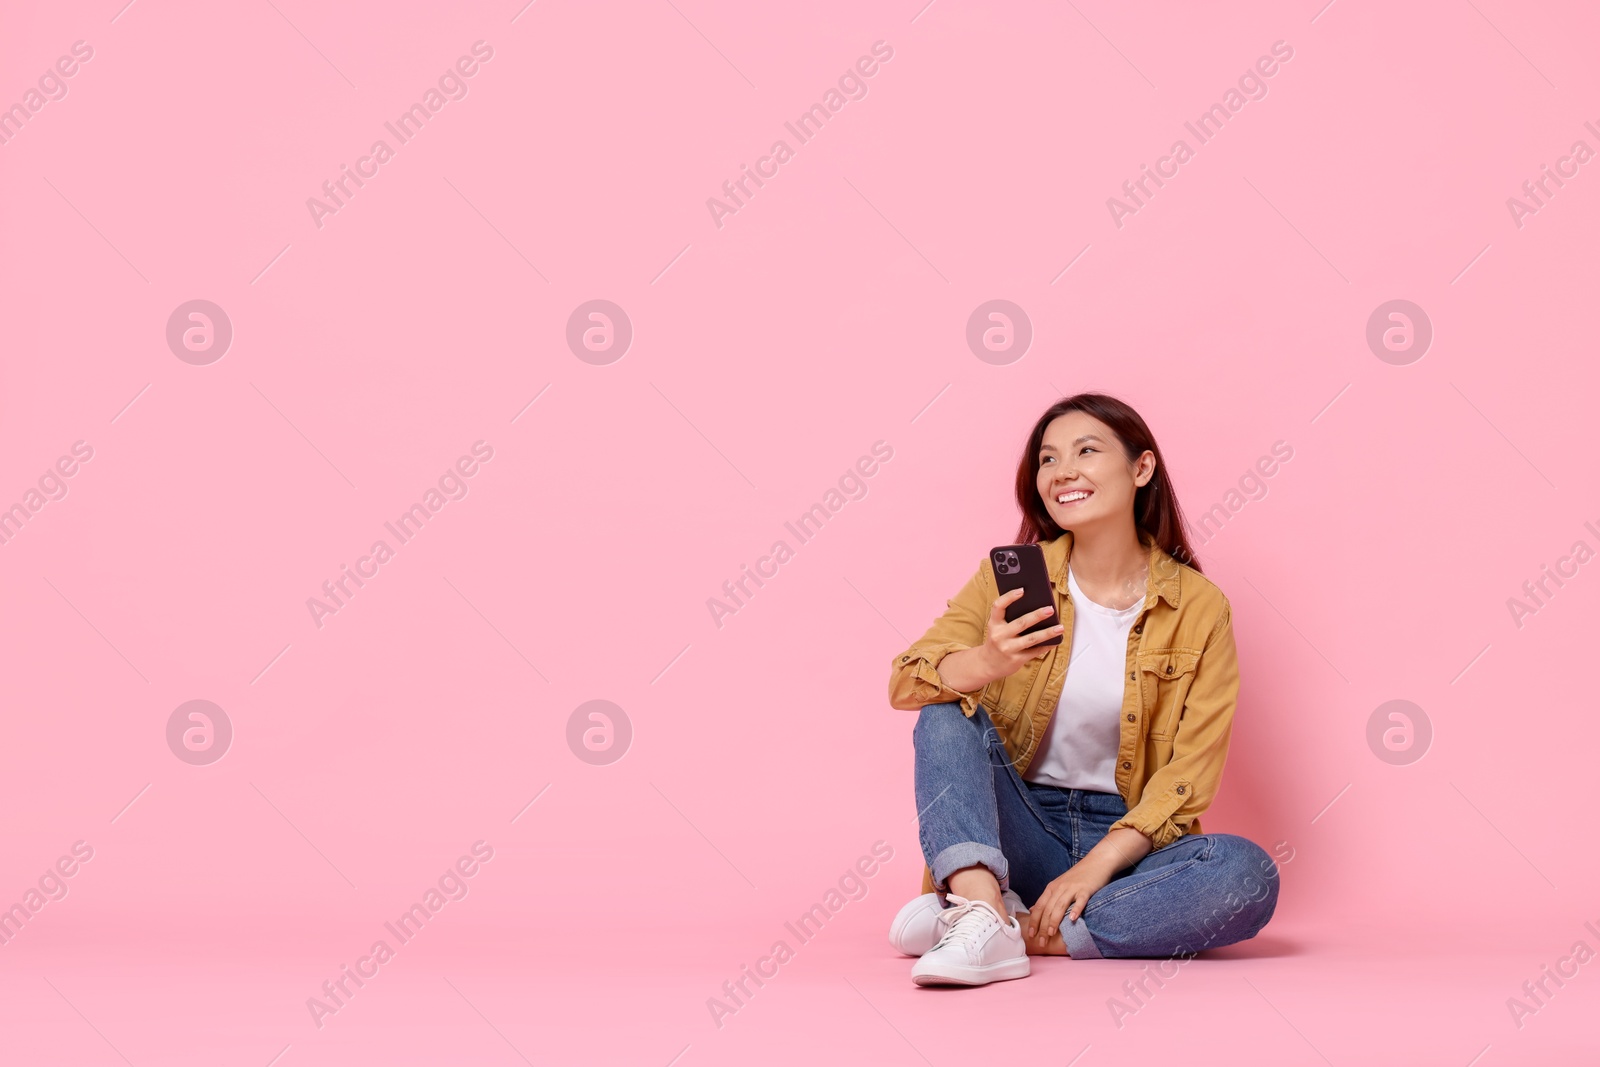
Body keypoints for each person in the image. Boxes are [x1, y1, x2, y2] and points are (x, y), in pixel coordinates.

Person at [884, 393, 1280, 987]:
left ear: (1141, 469)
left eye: (1086, 451)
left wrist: (1096, 867)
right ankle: (982, 903)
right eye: (1047, 459)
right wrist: (989, 660)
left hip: (1127, 851)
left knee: (1245, 873)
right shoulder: (1009, 579)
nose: (1061, 471)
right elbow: (906, 681)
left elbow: (1188, 777)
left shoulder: (1200, 608)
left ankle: (1000, 929)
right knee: (946, 710)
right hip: (1016, 832)